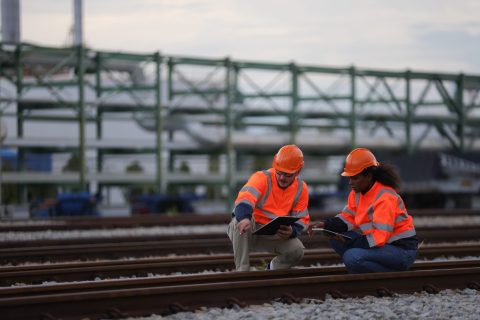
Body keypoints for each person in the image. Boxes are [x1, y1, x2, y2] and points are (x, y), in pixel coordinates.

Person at [308, 148, 418, 273]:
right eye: (349, 178)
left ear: (369, 177)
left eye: (355, 178)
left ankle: (389, 275)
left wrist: (352, 242)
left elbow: (378, 238)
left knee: (352, 257)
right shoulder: (357, 193)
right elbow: (348, 218)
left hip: (401, 250)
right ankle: (369, 269)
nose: (350, 182)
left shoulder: (385, 197)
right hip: (383, 246)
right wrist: (326, 224)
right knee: (335, 238)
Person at [227, 144, 310, 271]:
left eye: (288, 175)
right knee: (239, 221)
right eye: (279, 173)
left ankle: (271, 270)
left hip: (274, 234)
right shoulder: (261, 178)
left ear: (298, 171)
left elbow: (302, 219)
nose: (282, 178)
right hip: (249, 230)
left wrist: (292, 231)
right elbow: (244, 200)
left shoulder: (301, 188)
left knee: (297, 251)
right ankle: (242, 271)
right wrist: (245, 218)